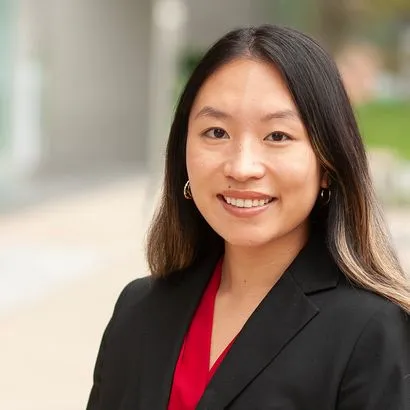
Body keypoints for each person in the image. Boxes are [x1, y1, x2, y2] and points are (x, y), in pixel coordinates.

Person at [86, 25, 410, 410]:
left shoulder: (374, 332)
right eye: (216, 132)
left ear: (327, 163)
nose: (242, 167)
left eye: (277, 136)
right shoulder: (138, 310)